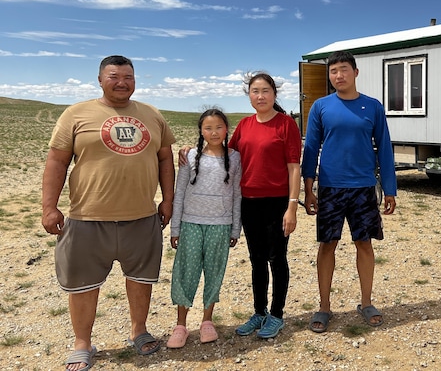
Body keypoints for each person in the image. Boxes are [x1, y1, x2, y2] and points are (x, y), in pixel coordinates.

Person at [41, 55, 175, 370]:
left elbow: (165, 158)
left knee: (140, 279)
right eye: (114, 76)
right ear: (100, 79)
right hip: (87, 217)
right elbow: (57, 161)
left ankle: (138, 330)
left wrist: (167, 199)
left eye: (128, 76)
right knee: (84, 284)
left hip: (141, 217)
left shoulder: (152, 114)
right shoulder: (76, 114)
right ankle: (82, 343)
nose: (122, 82)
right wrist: (49, 206)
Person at [179, 72, 301, 339]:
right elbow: (223, 151)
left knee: (276, 258)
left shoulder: (285, 125)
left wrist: (292, 206)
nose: (260, 96)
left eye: (266, 91)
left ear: (275, 94)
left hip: (277, 202)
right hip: (249, 202)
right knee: (257, 259)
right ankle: (259, 312)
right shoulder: (245, 125)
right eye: (255, 91)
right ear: (249, 95)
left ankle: (277, 315)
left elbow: (294, 167)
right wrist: (190, 149)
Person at [301, 50, 397, 333]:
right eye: (333, 71)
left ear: (356, 72)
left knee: (364, 244)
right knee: (327, 245)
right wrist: (308, 188)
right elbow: (310, 149)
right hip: (330, 188)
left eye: (344, 69)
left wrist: (389, 189)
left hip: (363, 188)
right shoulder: (320, 107)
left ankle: (366, 302)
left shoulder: (373, 107)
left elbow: (385, 148)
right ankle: (324, 307)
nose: (338, 75)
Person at [166, 109, 242, 349]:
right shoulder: (189, 156)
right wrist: (175, 228)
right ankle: (181, 325)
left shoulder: (236, 158)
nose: (214, 132)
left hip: (220, 225)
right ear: (201, 131)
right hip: (190, 223)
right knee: (186, 272)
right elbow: (179, 194)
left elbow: (237, 196)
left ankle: (207, 321)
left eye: (219, 127)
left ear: (226, 129)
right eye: (208, 128)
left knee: (214, 271)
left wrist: (235, 229)